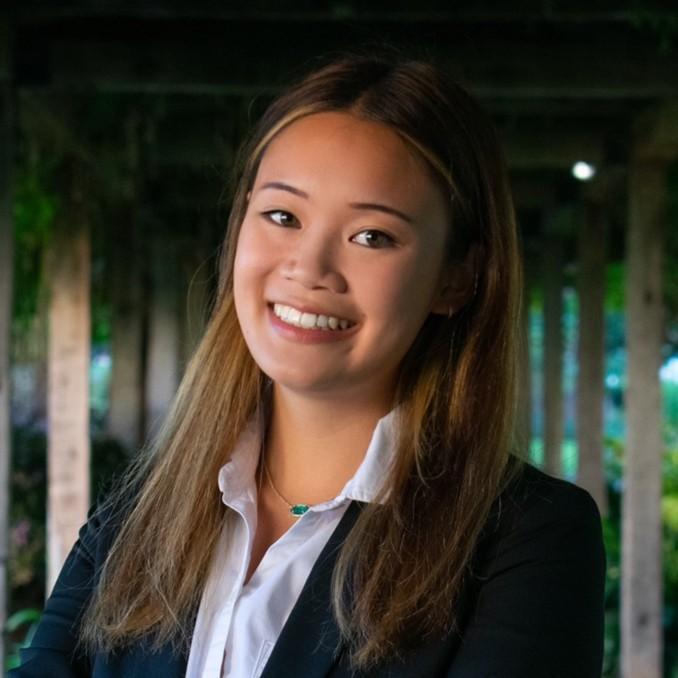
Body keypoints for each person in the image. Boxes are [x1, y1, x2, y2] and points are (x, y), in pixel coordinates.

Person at [11, 48, 606, 678]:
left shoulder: (526, 541)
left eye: (372, 236)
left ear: (456, 277)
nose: (308, 268)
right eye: (282, 216)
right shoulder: (140, 510)